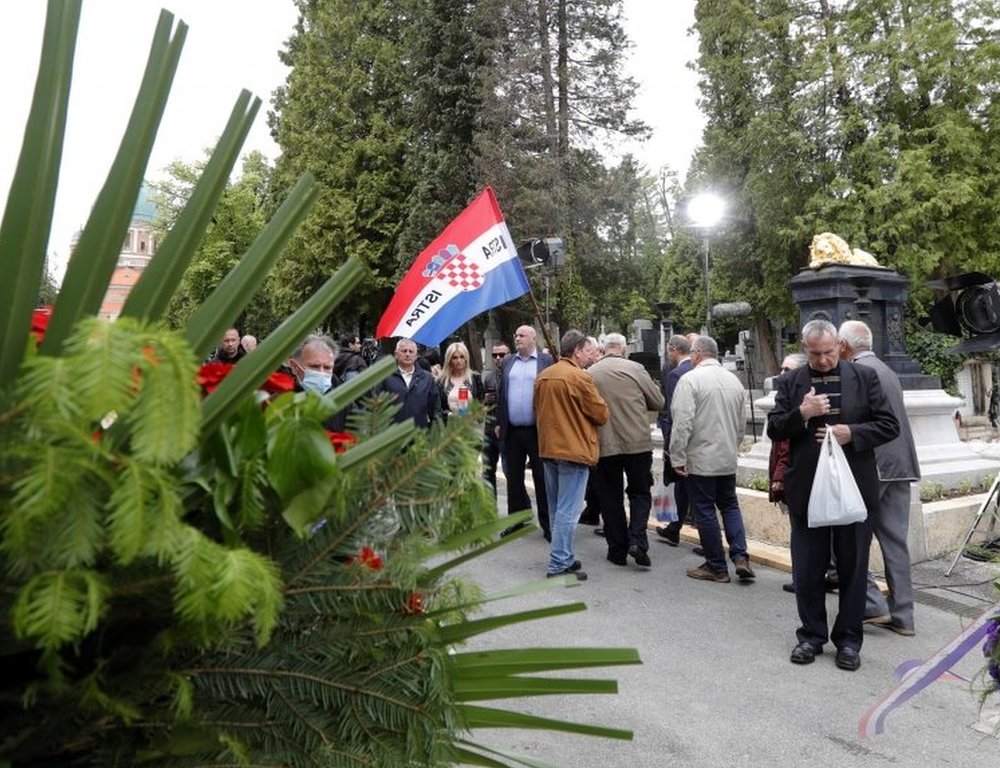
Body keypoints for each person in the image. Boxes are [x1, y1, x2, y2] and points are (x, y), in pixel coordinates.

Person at [768, 319, 899, 671]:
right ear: (804, 348)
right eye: (815, 354)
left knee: (853, 568)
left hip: (854, 488)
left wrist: (851, 432)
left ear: (839, 347)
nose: (823, 360)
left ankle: (849, 641)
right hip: (807, 489)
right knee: (808, 570)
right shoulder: (791, 381)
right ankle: (810, 636)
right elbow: (775, 428)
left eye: (828, 352)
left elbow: (889, 425)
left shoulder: (864, 378)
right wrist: (802, 414)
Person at [839, 320, 920, 637]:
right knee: (895, 542)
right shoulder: (887, 370)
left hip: (874, 465)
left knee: (847, 536)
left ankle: (873, 603)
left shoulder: (859, 373)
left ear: (844, 346)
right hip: (901, 464)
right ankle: (903, 614)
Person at [669, 335, 755, 585]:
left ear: (696, 353)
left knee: (705, 509)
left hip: (701, 457)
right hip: (726, 457)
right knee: (729, 505)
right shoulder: (734, 381)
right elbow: (741, 425)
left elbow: (682, 423)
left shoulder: (690, 380)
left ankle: (716, 565)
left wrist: (677, 456)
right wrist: (733, 446)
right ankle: (740, 556)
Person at [534, 329, 609, 580]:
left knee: (557, 508)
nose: (591, 356)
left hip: (549, 449)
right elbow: (600, 414)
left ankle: (563, 556)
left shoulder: (544, 376)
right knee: (569, 510)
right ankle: (558, 563)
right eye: (588, 351)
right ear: (576, 351)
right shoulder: (579, 377)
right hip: (574, 449)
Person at [589, 333, 664, 567]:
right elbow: (659, 402)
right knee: (640, 493)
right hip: (637, 442)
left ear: (603, 349)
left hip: (605, 443)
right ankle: (638, 541)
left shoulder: (590, 373)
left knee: (610, 497)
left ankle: (617, 549)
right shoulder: (636, 369)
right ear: (623, 349)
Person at [495, 325, 554, 540]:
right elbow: (502, 394)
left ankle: (548, 524)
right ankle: (516, 520)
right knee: (514, 479)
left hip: (537, 431)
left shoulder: (546, 362)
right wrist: (500, 421)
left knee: (542, 479)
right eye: (516, 335)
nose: (517, 338)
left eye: (521, 335)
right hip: (512, 431)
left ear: (533, 339)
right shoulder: (509, 361)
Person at [769, 353, 807, 593]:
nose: (782, 374)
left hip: (795, 476)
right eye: (782, 369)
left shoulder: (798, 403)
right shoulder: (788, 400)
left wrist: (779, 477)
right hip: (793, 474)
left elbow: (786, 447)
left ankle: (802, 577)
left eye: (787, 369)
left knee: (801, 533)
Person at [655, 335, 694, 546]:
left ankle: (674, 527)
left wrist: (670, 445)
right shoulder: (697, 369)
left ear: (674, 350)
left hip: (681, 437)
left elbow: (673, 411)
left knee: (680, 482)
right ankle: (674, 526)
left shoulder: (677, 373)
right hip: (700, 437)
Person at [372, 338, 441, 428]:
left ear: (416, 356)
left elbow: (435, 409)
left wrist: (436, 432)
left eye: (411, 352)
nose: (407, 354)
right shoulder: (385, 377)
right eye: (404, 351)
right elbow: (376, 407)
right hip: (392, 435)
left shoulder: (427, 378)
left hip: (420, 435)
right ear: (396, 354)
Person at [288, 333, 347, 431]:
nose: (321, 373)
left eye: (327, 367)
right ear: (294, 367)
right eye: (314, 366)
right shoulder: (279, 404)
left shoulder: (345, 400)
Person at [481, 342, 510, 497]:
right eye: (495, 355)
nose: (498, 358)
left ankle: (522, 506)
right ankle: (490, 508)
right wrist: (484, 399)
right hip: (489, 428)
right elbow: (478, 405)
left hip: (506, 430)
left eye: (502, 355)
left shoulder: (512, 375)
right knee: (487, 471)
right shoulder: (488, 378)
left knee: (509, 472)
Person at [437, 341, 484, 415]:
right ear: (449, 360)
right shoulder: (441, 381)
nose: (459, 361)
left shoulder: (475, 378)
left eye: (462, 357)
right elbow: (437, 407)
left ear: (466, 359)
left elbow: (481, 402)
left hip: (471, 422)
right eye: (455, 358)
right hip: (449, 424)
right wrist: (448, 415)